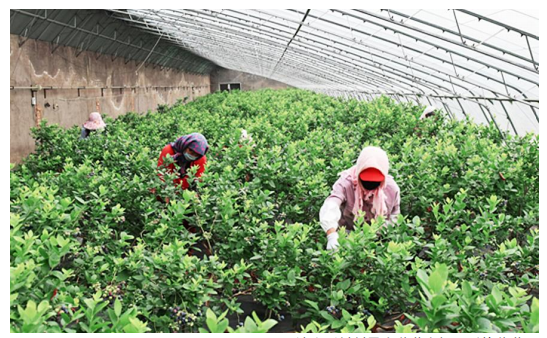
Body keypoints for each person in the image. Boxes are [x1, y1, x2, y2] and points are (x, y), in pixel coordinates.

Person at [319, 146, 401, 250]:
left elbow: (394, 216)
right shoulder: (346, 183)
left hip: (376, 237)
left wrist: (375, 233)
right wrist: (332, 235)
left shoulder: (391, 189)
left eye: (375, 180)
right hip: (346, 234)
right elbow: (331, 205)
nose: (370, 184)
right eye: (366, 179)